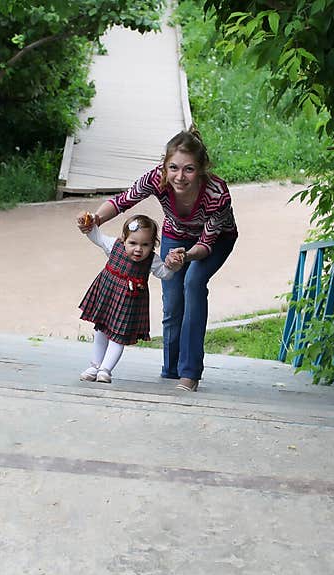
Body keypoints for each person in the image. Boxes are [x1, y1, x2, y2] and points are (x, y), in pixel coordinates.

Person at [76, 126, 238, 391]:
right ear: (164, 166)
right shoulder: (156, 179)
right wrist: (95, 219)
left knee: (193, 283)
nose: (180, 176)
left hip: (214, 241)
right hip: (176, 233)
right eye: (173, 167)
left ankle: (190, 373)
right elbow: (122, 201)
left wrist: (184, 256)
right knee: (173, 299)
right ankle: (171, 369)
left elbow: (205, 245)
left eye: (189, 169)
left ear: (201, 169)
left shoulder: (217, 194)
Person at [76, 214, 182, 384]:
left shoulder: (152, 260)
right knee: (101, 330)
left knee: (119, 335)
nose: (139, 249)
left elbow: (165, 274)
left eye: (145, 244)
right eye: (133, 243)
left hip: (129, 302)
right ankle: (94, 366)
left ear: (153, 244)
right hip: (107, 295)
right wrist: (87, 223)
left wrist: (172, 267)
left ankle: (105, 369)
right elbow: (97, 236)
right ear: (124, 239)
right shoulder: (114, 245)